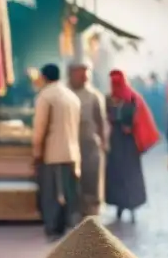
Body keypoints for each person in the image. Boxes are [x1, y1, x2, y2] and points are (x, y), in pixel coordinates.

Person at [31, 63, 82, 238]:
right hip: (72, 152)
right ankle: (68, 226)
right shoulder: (72, 96)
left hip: (53, 153)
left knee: (52, 195)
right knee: (67, 193)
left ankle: (53, 229)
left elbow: (40, 127)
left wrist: (36, 151)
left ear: (44, 77)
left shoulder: (46, 97)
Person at [106, 70, 160, 222]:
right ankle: (121, 204)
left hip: (127, 142)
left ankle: (131, 204)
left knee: (129, 173)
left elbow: (139, 118)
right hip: (117, 141)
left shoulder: (131, 98)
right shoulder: (110, 99)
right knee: (118, 174)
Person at [68, 60, 109, 217]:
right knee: (72, 178)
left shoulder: (94, 96)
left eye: (86, 73)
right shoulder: (66, 94)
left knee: (91, 177)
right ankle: (73, 209)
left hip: (90, 143)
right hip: (71, 143)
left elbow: (101, 121)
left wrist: (103, 143)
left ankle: (91, 210)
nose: (83, 76)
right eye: (80, 72)